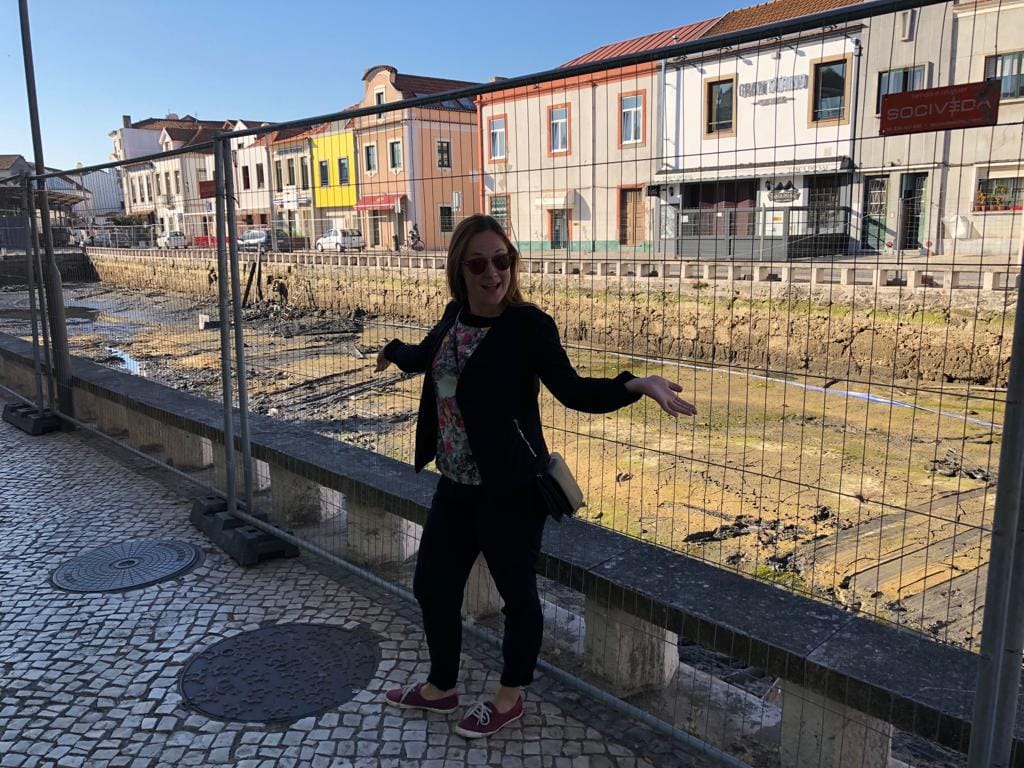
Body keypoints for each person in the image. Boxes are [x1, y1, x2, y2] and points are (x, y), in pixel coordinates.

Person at [376, 214, 696, 738]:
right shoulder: (455, 315)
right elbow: (425, 355)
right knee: (432, 586)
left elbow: (574, 391)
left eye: (501, 260)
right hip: (455, 488)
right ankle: (441, 687)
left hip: (511, 491)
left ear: (511, 263)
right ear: (461, 268)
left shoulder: (528, 327)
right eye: (478, 263)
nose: (492, 272)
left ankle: (509, 696)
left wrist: (635, 384)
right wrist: (391, 352)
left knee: (517, 597)